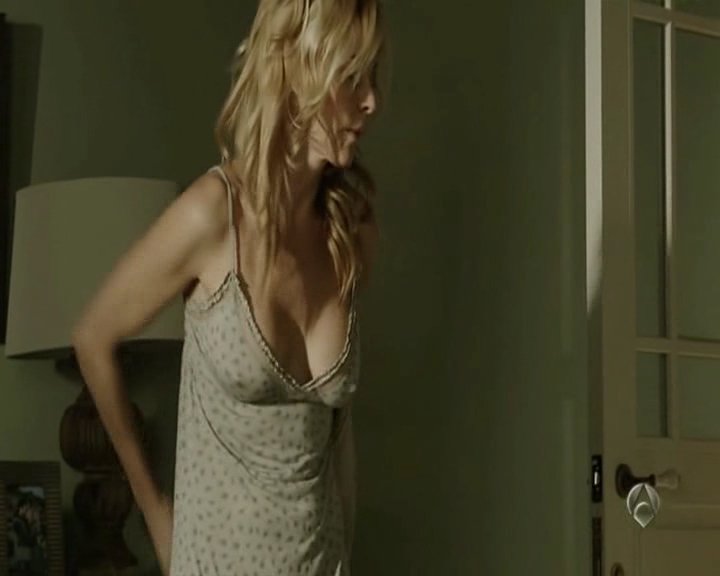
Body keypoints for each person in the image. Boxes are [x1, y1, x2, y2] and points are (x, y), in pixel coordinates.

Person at [71, 0, 384, 574]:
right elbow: (93, 337)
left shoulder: (349, 227)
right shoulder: (213, 215)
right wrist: (157, 513)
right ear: (296, 70)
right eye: (351, 76)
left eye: (373, 75)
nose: (371, 100)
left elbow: (338, 433)